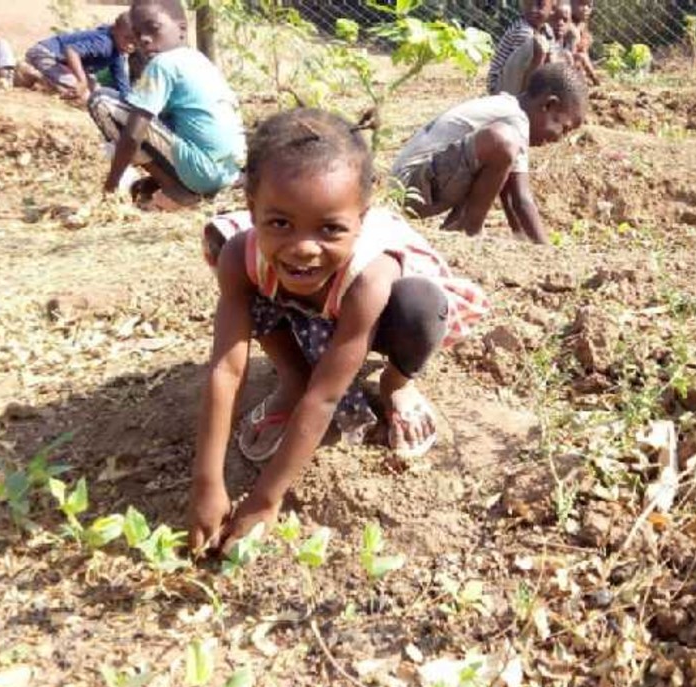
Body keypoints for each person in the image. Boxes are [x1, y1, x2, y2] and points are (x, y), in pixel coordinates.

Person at [186, 108, 489, 554]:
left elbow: (325, 396)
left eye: (330, 228)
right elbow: (227, 369)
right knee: (240, 263)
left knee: (420, 306)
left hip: (383, 316)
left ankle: (396, 384)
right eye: (280, 223)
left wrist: (265, 500)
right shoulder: (241, 254)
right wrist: (207, 482)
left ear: (361, 220)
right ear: (252, 210)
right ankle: (292, 374)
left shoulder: (371, 274)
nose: (304, 247)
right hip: (305, 304)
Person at [390, 62, 588, 245]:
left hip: (414, 184)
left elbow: (510, 195)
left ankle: (458, 226)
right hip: (409, 187)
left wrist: (525, 241)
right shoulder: (515, 120)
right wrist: (546, 250)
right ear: (548, 105)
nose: (560, 138)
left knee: (501, 152)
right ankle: (468, 231)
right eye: (564, 128)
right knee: (502, 141)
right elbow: (522, 200)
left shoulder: (511, 111)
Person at [90, 0, 246, 210]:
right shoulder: (197, 59)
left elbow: (134, 135)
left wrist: (110, 186)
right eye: (137, 34)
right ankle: (171, 183)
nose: (144, 39)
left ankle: (174, 188)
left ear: (182, 29)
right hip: (227, 173)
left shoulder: (162, 64)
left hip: (202, 173)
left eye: (153, 28)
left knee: (101, 101)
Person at [21, 13, 135, 103]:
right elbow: (71, 51)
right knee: (84, 97)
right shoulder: (104, 43)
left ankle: (48, 81)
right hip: (46, 54)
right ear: (114, 30)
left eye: (135, 42)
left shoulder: (118, 52)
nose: (130, 46)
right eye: (127, 38)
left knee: (99, 95)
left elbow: (123, 85)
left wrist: (132, 104)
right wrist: (82, 81)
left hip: (63, 63)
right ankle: (30, 74)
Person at [488, 0, 555, 96]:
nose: (533, 10)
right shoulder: (523, 30)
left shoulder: (548, 30)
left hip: (519, 81)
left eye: (539, 4)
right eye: (528, 4)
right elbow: (521, 68)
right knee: (537, 46)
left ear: (553, 7)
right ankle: (524, 97)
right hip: (501, 87)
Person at [569, 0, 601, 86]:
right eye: (581, 4)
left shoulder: (582, 23)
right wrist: (595, 78)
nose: (586, 9)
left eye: (589, 5)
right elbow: (580, 54)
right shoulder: (568, 26)